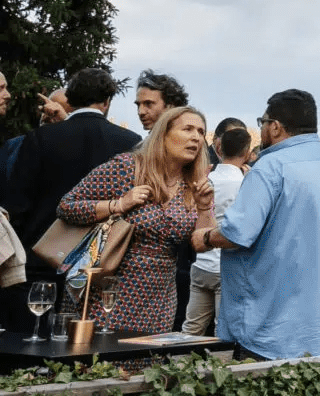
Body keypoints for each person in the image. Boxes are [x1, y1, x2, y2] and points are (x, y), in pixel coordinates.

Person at [201, 90, 320, 359]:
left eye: (262, 122)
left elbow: (237, 233)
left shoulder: (270, 167)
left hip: (265, 329)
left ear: (275, 127)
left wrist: (204, 238)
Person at [0, 67, 140, 332]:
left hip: (41, 257)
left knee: (31, 339)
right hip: (102, 263)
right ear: (107, 101)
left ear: (71, 99)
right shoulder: (130, 142)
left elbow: (17, 201)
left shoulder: (41, 137)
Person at [57, 103, 213, 333]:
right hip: (107, 289)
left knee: (146, 363)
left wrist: (204, 207)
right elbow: (66, 207)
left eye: (200, 132)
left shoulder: (194, 185)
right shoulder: (128, 167)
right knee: (97, 364)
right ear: (163, 134)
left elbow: (202, 244)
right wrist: (118, 204)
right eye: (187, 129)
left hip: (159, 298)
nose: (196, 138)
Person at [184, 120, 254, 335]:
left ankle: (178, 364)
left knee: (191, 327)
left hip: (201, 263)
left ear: (218, 148)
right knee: (222, 330)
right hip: (227, 264)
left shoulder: (205, 179)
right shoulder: (246, 183)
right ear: (248, 152)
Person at [132, 70, 187, 136]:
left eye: (148, 104)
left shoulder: (190, 143)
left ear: (170, 106)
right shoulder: (143, 145)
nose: (141, 112)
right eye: (138, 105)